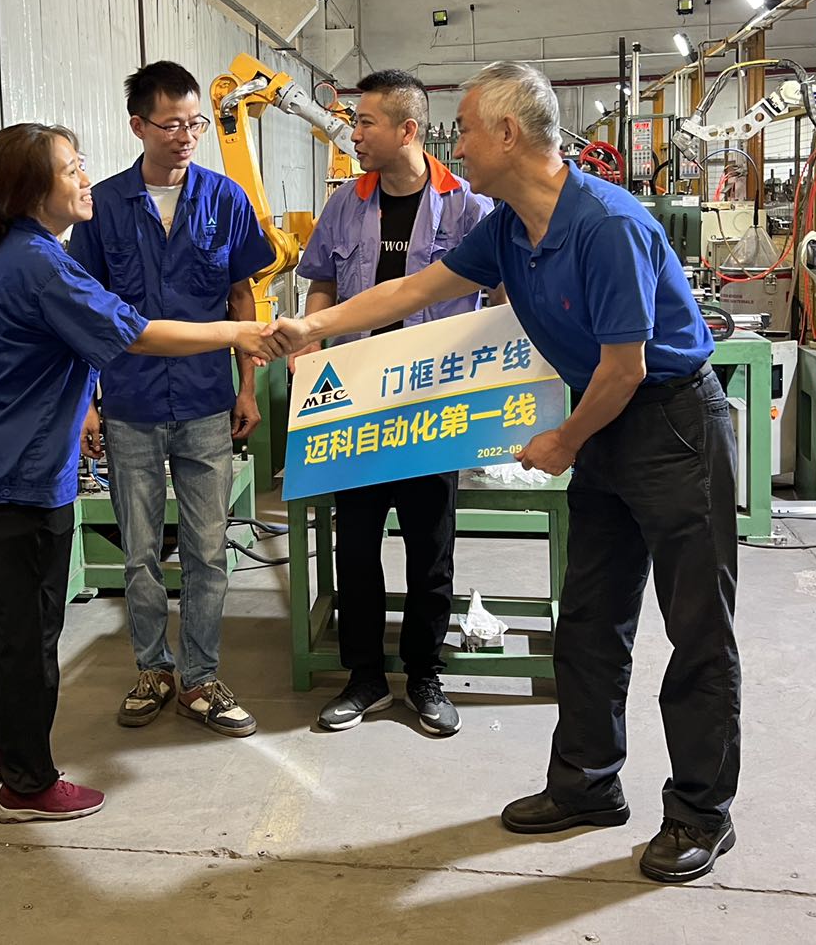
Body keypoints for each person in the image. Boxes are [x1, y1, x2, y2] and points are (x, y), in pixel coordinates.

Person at [263, 61, 740, 885]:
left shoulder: (605, 225)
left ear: (509, 134)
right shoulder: (510, 227)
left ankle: (702, 812)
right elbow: (415, 289)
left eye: (467, 130)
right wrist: (314, 327)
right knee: (591, 621)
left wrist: (564, 442)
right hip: (608, 426)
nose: (458, 146)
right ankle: (587, 784)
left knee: (696, 629)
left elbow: (625, 367)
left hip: (671, 426)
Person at [0, 122, 272, 824]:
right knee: (30, 630)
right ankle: (27, 783)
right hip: (23, 471)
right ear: (36, 190)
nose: (85, 179)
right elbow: (137, 333)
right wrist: (238, 332)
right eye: (71, 170)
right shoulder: (42, 264)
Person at [67, 62, 277, 738]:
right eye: (171, 125)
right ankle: (152, 668)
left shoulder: (225, 198)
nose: (186, 136)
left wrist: (248, 386)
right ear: (139, 126)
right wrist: (87, 405)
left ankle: (199, 677)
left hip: (207, 401)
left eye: (194, 124)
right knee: (139, 552)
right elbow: (82, 315)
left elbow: (242, 299)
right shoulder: (102, 207)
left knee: (208, 549)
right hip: (129, 402)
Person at [293, 69, 492, 737]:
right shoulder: (345, 205)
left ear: (407, 129)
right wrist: (309, 342)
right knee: (355, 547)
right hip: (356, 403)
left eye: (365, 123)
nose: (354, 135)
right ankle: (365, 677)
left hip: (435, 403)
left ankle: (425, 674)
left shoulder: (467, 207)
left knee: (430, 548)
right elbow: (323, 282)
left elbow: (500, 298)